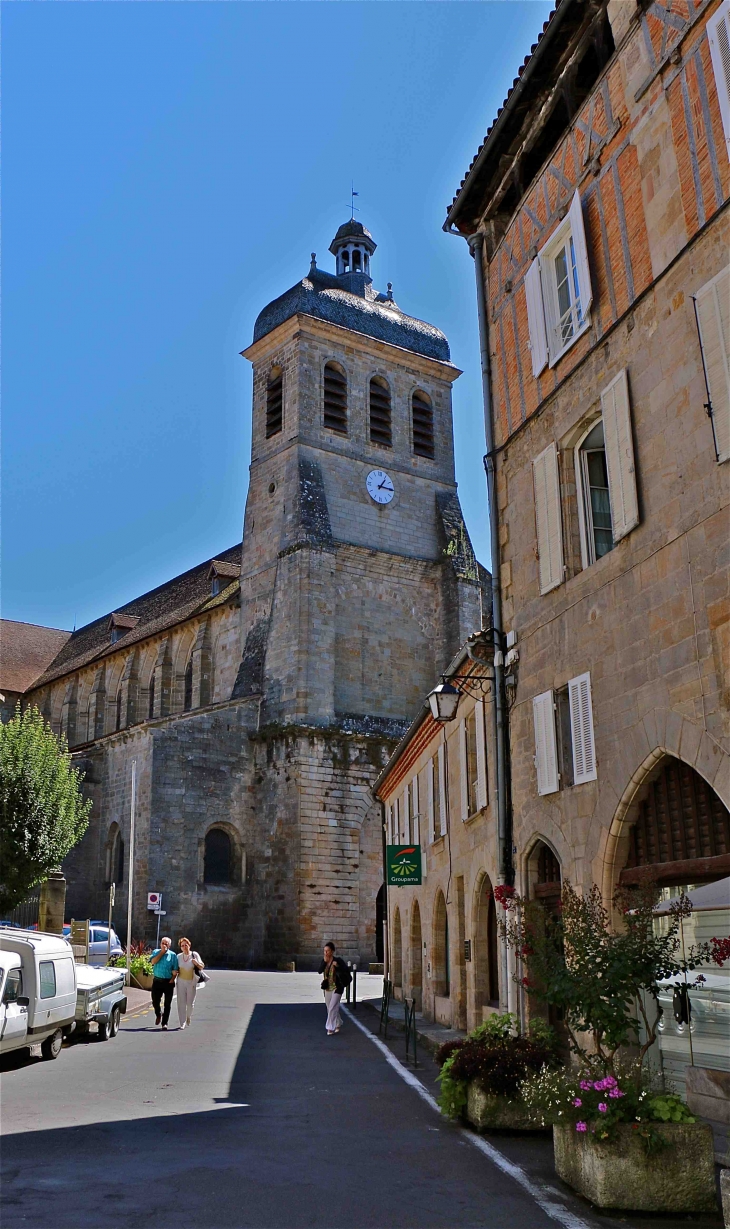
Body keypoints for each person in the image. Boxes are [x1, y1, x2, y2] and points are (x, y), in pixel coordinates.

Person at [318, 941, 351, 1035]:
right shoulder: (324, 961)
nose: (326, 953)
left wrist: (338, 966)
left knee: (332, 1007)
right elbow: (319, 971)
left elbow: (346, 971)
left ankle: (330, 1028)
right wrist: (324, 963)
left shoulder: (338, 960)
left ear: (332, 951)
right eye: (324, 951)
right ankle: (338, 1022)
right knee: (330, 1008)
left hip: (338, 987)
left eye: (327, 951)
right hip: (327, 988)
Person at [150, 936, 178, 1030]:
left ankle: (164, 1023)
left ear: (169, 945)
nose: (164, 945)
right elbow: (153, 962)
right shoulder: (156, 952)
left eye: (166, 944)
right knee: (155, 1001)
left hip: (168, 982)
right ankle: (158, 1014)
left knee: (167, 1003)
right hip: (157, 980)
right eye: (163, 943)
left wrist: (173, 978)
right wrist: (162, 952)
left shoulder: (173, 955)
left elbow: (175, 969)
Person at [176, 937, 204, 1029]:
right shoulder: (178, 956)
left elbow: (201, 966)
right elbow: (175, 968)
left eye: (186, 945)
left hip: (191, 982)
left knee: (190, 1004)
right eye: (182, 946)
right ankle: (182, 1022)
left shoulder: (194, 955)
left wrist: (196, 963)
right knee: (181, 1003)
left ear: (189, 945)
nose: (184, 947)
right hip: (181, 981)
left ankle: (188, 1016)